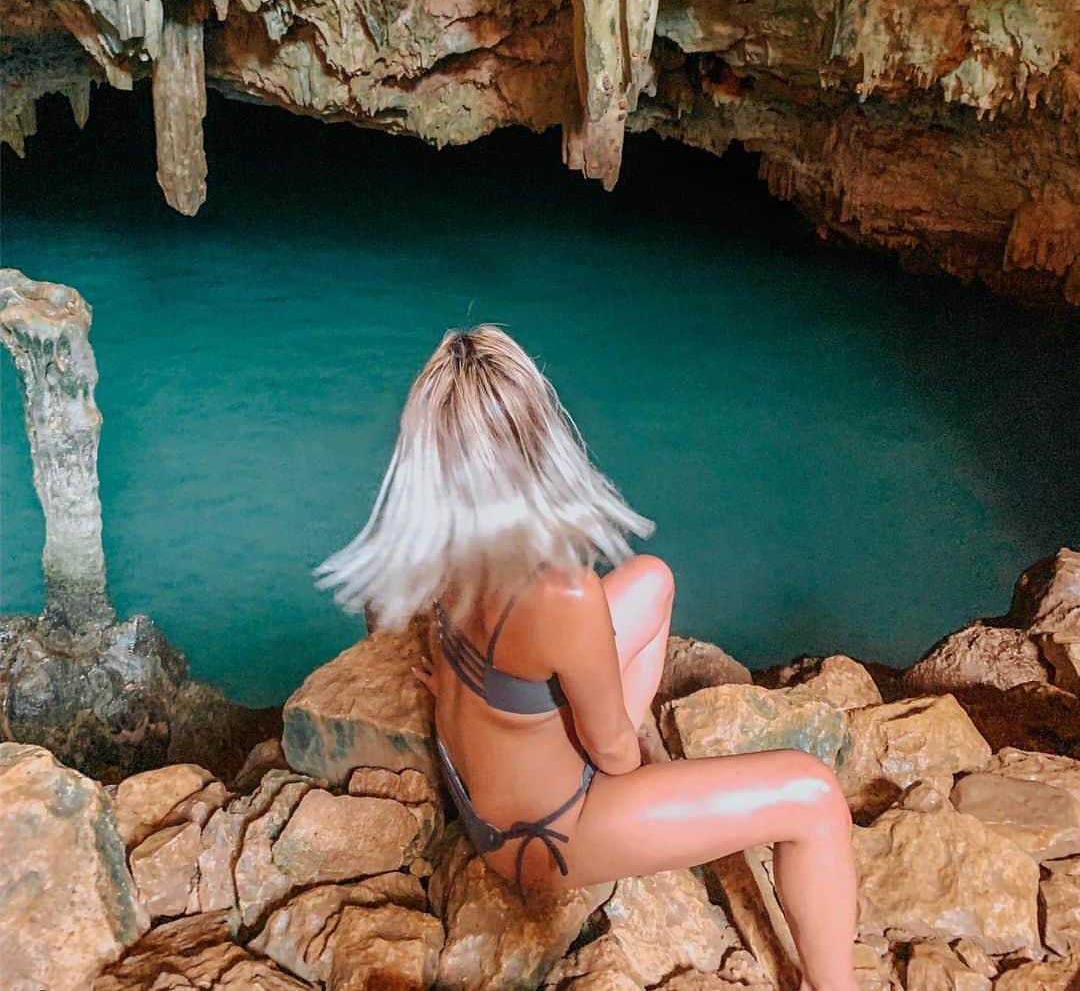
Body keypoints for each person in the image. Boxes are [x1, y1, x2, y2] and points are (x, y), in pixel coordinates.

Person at [316, 324, 858, 991]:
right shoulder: (560, 593)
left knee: (652, 581)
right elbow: (613, 756)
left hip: (476, 785)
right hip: (544, 837)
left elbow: (471, 643)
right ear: (540, 433)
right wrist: (617, 755)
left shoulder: (434, 533)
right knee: (812, 795)